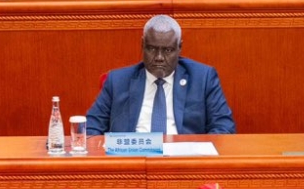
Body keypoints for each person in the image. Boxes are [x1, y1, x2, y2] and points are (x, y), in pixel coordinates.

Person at [86, 15, 236, 136]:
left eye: (168, 50)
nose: (158, 57)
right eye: (151, 49)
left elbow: (224, 128)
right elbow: (90, 129)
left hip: (183, 163)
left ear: (179, 48)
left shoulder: (203, 78)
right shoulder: (117, 81)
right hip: (132, 161)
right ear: (142, 45)